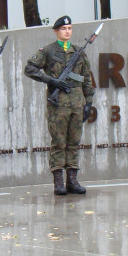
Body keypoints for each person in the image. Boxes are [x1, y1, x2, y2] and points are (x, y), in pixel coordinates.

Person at [24, 15, 96, 195]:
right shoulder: (48, 51)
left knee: (74, 142)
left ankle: (72, 179)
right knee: (58, 142)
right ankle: (58, 182)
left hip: (77, 103)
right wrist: (51, 81)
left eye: (70, 28)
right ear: (56, 31)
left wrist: (89, 103)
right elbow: (30, 69)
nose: (67, 31)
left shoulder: (79, 51)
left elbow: (86, 78)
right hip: (58, 105)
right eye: (64, 29)